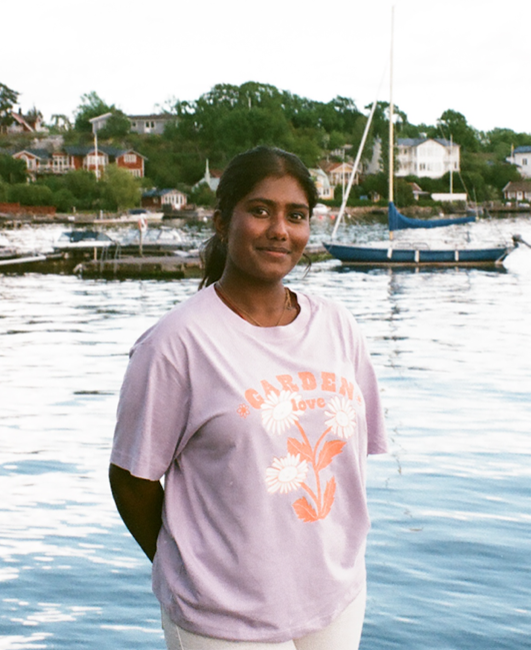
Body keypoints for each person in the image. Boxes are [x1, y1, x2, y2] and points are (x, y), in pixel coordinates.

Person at [109, 146, 387, 650]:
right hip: (224, 619)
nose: (280, 229)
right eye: (260, 210)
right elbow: (132, 480)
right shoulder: (176, 345)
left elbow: (350, 464)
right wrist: (194, 566)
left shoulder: (339, 327)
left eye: (296, 216)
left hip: (336, 598)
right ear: (221, 222)